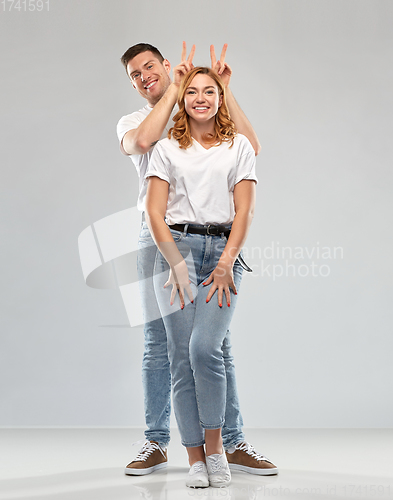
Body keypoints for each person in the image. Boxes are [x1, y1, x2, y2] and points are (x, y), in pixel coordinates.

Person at [116, 42, 278, 477]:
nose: (144, 75)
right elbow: (146, 140)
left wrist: (221, 89)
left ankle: (230, 440)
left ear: (167, 65)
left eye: (150, 66)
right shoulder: (138, 121)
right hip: (159, 238)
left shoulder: (203, 107)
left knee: (213, 347)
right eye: (135, 74)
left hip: (213, 239)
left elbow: (250, 145)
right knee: (160, 346)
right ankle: (157, 440)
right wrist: (177, 89)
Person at [144, 65, 260, 487]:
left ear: (220, 97)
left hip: (222, 255)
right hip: (176, 251)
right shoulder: (166, 149)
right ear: (182, 98)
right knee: (179, 354)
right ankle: (194, 457)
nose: (200, 98)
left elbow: (244, 210)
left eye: (209, 91)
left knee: (205, 349)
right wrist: (175, 262)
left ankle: (215, 449)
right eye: (191, 91)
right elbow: (154, 212)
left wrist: (228, 260)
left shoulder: (238, 146)